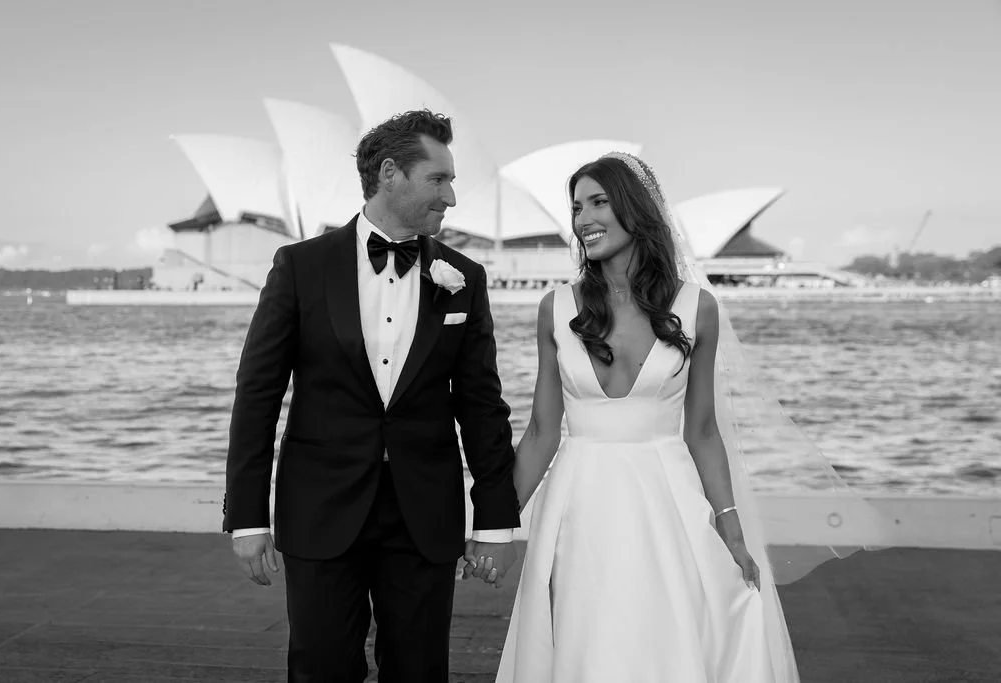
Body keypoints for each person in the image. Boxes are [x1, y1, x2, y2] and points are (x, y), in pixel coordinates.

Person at [222, 109, 521, 683]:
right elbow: (257, 395)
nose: (452, 197)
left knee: (419, 671)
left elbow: (482, 408)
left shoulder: (465, 277)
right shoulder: (300, 266)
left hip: (423, 517)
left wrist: (495, 522)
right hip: (320, 510)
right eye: (440, 179)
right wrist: (247, 515)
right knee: (321, 668)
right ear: (390, 173)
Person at [493, 152, 800, 682]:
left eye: (598, 202)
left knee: (672, 635)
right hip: (579, 503)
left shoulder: (697, 307)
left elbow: (702, 430)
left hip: (668, 503)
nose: (583, 218)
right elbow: (542, 432)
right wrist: (494, 527)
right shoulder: (555, 309)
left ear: (635, 210)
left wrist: (731, 531)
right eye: (576, 207)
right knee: (583, 638)